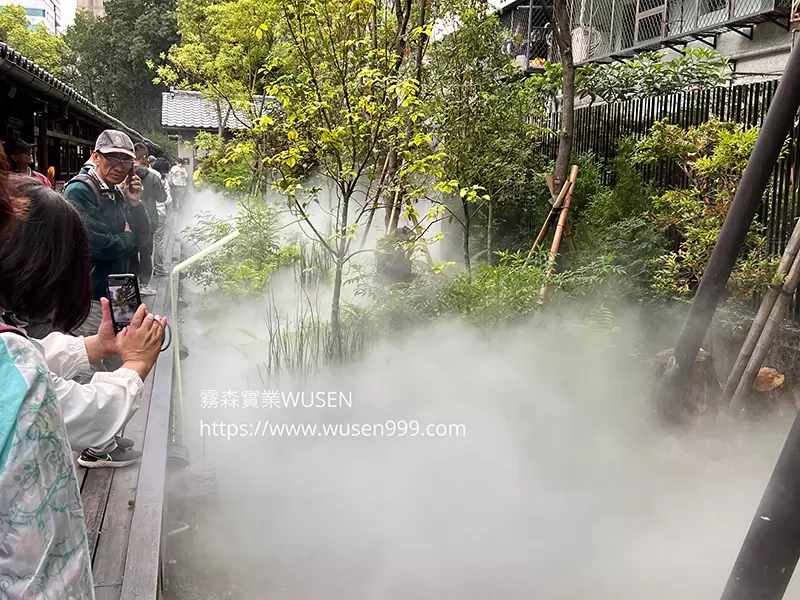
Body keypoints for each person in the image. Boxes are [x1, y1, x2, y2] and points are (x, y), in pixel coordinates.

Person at [0, 173, 164, 597]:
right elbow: (83, 415)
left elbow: (27, 359)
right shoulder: (14, 363)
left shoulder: (12, 350)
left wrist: (94, 346)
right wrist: (136, 365)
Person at [60, 130, 153, 467]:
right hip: (93, 292)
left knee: (122, 357)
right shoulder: (79, 191)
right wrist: (125, 239)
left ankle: (109, 435)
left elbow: (144, 234)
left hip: (122, 288)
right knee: (93, 362)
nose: (119, 166)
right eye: (112, 159)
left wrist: (135, 204)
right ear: (95, 156)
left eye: (126, 161)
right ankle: (96, 447)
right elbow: (95, 244)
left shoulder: (117, 191)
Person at [131, 143, 165, 296]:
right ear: (145, 157)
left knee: (130, 253)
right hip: (149, 218)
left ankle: (131, 283)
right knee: (146, 253)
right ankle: (144, 284)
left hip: (129, 219)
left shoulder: (125, 174)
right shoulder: (153, 176)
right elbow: (162, 197)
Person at [152, 157, 173, 277]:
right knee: (158, 241)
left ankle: (140, 273)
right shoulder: (163, 180)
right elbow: (167, 200)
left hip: (145, 212)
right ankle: (159, 268)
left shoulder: (147, 176)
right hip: (159, 213)